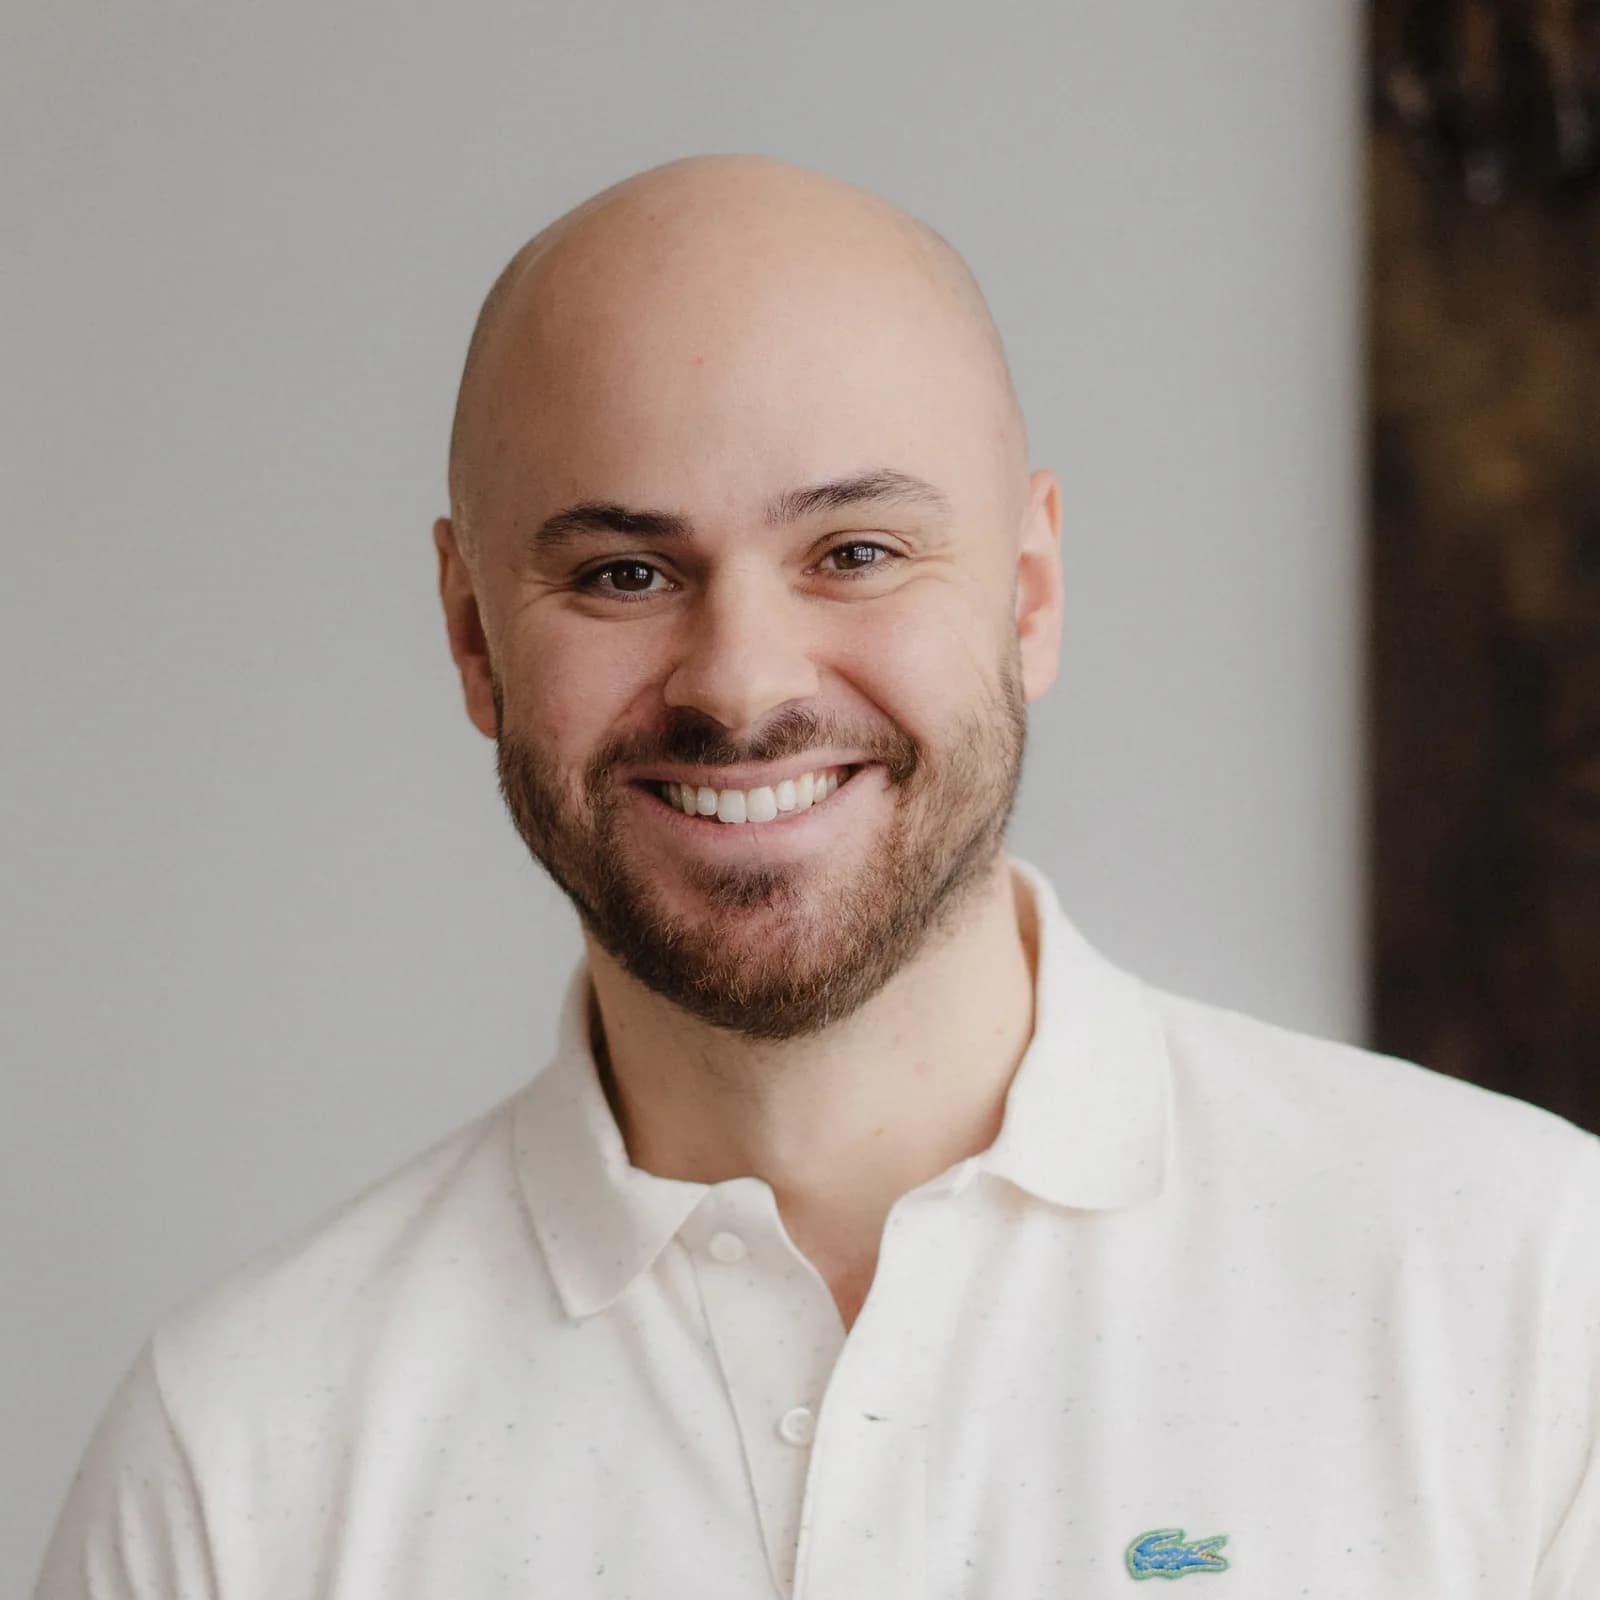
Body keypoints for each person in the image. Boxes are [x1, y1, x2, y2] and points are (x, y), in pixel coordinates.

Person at [33, 154, 1599, 1599]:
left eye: (854, 551)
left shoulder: (1530, 1301)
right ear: (469, 636)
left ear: (1028, 594)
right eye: (622, 574)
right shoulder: (236, 1468)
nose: (737, 683)